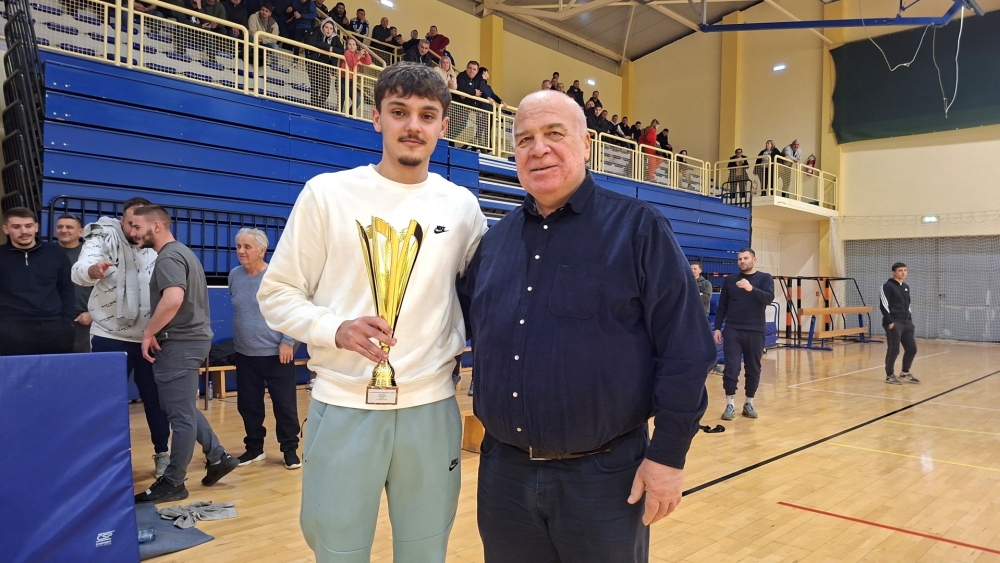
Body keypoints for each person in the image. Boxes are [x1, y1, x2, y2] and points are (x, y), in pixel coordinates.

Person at [458, 89, 715, 563]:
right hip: (504, 478)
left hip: (605, 479)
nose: (538, 149)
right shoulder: (494, 244)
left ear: (585, 144)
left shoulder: (638, 229)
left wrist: (668, 455)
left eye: (554, 134)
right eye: (525, 139)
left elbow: (686, 349)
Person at [257, 62, 487, 563]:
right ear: (376, 117)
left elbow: (488, 297)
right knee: (337, 551)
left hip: (431, 407)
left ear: (443, 126)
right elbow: (277, 294)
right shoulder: (327, 194)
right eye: (399, 112)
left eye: (427, 115)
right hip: (344, 404)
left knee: (426, 553)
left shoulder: (461, 206)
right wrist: (333, 328)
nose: (413, 126)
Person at [131, 205, 238, 503]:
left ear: (156, 226)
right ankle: (217, 457)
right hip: (189, 342)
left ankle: (174, 482)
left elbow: (173, 299)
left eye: (136, 226)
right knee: (181, 408)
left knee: (180, 417)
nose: (132, 232)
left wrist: (148, 332)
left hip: (179, 344)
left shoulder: (168, 257)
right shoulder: (183, 253)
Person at [72, 197, 172, 479]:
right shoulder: (104, 236)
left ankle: (162, 453)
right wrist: (93, 270)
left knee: (155, 400)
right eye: (130, 223)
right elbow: (79, 270)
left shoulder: (158, 243)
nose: (134, 230)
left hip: (148, 337)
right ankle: (103, 458)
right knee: (105, 401)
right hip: (108, 334)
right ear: (121, 220)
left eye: (139, 224)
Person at [229, 228, 301, 468]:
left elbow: (292, 311)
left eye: (247, 247)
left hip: (276, 354)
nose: (241, 251)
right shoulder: (234, 276)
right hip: (245, 353)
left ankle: (289, 449)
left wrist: (288, 341)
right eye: (239, 246)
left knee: (284, 405)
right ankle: (254, 449)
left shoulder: (276, 278)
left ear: (262, 250)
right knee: (248, 405)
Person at [0, 207, 75, 356]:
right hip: (10, 331)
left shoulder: (56, 253)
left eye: (28, 226)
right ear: (6, 229)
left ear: (36, 227)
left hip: (54, 329)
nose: (24, 231)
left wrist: (66, 323)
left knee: (56, 371)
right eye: (16, 227)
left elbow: (66, 289)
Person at [713, 248, 774, 420]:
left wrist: (750, 288)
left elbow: (769, 298)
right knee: (731, 367)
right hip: (733, 329)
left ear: (754, 260)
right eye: (739, 259)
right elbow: (722, 306)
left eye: (745, 258)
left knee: (753, 368)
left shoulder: (765, 278)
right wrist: (717, 328)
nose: (742, 261)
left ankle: (749, 403)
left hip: (756, 330)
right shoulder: (731, 280)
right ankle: (730, 404)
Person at [55, 213, 94, 353]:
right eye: (60, 227)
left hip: (83, 320)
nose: (63, 230)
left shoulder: (91, 255)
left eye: (69, 227)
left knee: (82, 362)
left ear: (80, 231)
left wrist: (93, 314)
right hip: (54, 319)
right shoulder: (46, 254)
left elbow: (105, 287)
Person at [881, 263, 919, 385]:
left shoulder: (906, 287)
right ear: (893, 272)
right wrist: (890, 321)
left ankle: (905, 373)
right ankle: (890, 375)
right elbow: (884, 305)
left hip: (906, 323)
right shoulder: (887, 286)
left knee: (912, 349)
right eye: (900, 270)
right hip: (894, 322)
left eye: (905, 270)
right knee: (894, 349)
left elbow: (908, 305)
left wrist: (910, 320)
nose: (903, 273)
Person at [304, 18, 344, 109]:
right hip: (313, 64)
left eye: (331, 28)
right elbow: (311, 42)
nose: (328, 30)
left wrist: (332, 49)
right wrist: (327, 47)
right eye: (326, 27)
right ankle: (314, 109)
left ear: (333, 30)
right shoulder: (317, 32)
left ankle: (317, 107)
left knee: (325, 91)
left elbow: (341, 50)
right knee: (315, 89)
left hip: (325, 67)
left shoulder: (335, 38)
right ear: (322, 27)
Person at [339, 36, 372, 112]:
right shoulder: (347, 52)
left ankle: (350, 114)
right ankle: (338, 115)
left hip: (352, 82)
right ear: (347, 46)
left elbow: (368, 62)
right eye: (349, 44)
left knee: (358, 100)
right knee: (341, 100)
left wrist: (366, 54)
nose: (352, 46)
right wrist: (359, 55)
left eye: (354, 44)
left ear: (356, 47)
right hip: (343, 79)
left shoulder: (357, 54)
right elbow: (351, 64)